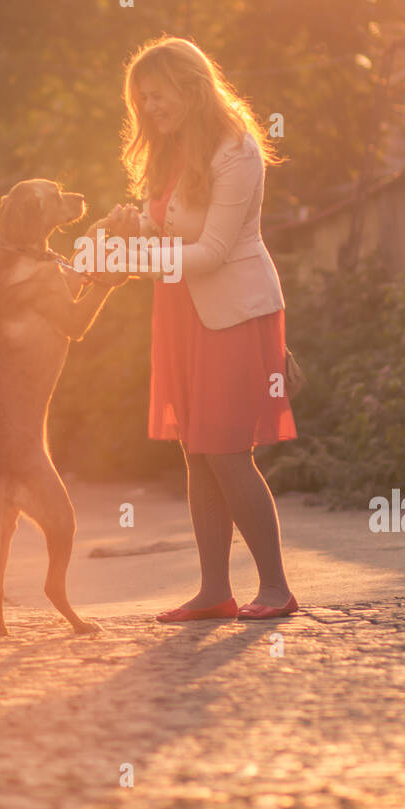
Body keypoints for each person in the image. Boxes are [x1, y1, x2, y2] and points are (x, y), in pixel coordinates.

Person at [108, 36, 298, 622]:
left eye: (158, 95)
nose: (150, 108)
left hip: (234, 314)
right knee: (198, 454)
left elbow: (213, 250)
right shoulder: (169, 152)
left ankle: (276, 589)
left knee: (227, 453)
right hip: (182, 313)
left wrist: (135, 258)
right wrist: (130, 227)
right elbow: (168, 224)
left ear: (191, 86)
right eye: (142, 100)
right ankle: (214, 592)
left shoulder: (235, 150)